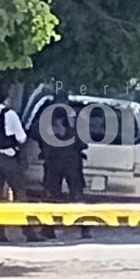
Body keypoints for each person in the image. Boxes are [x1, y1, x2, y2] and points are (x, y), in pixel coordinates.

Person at [0, 86, 49, 242]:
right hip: (9, 158)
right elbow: (21, 137)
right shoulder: (9, 115)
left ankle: (0, 234)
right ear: (6, 100)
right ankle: (28, 232)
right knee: (20, 194)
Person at [39, 99, 91, 239]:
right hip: (72, 164)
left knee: (52, 197)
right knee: (77, 196)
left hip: (53, 164)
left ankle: (49, 228)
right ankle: (85, 229)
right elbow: (83, 145)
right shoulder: (74, 130)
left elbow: (42, 147)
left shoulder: (48, 131)